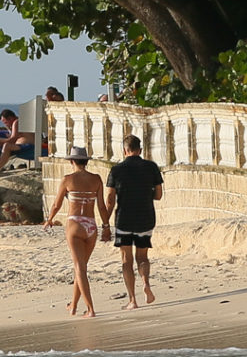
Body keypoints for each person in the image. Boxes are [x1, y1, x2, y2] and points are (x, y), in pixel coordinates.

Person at [44, 147, 108, 316]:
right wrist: (107, 226)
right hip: (91, 226)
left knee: (79, 267)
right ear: (86, 161)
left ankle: (90, 309)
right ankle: (73, 305)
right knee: (81, 267)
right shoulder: (96, 179)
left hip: (75, 224)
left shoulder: (68, 180)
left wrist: (49, 219)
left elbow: (57, 204)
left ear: (72, 161)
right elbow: (101, 206)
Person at [106, 133, 166, 307]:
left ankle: (132, 300)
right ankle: (146, 283)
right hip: (145, 217)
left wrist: (105, 222)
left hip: (124, 219)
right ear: (140, 149)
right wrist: (146, 195)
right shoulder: (151, 167)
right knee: (143, 256)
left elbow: (110, 198)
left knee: (126, 260)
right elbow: (159, 195)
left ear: (125, 150)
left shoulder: (116, 170)